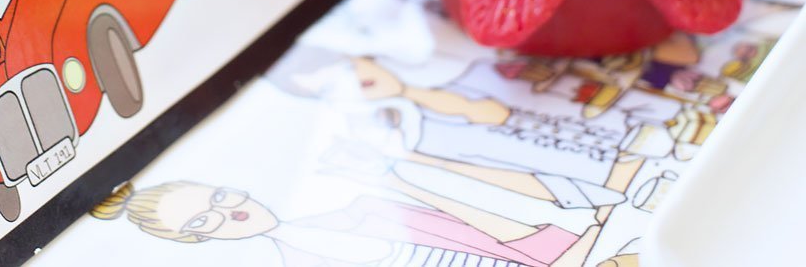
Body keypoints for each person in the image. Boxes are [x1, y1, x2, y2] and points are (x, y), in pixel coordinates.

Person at [92, 179, 586, 266]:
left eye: (221, 196)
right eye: (208, 217)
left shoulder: (365, 206)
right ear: (198, 238)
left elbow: (494, 238)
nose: (232, 210)